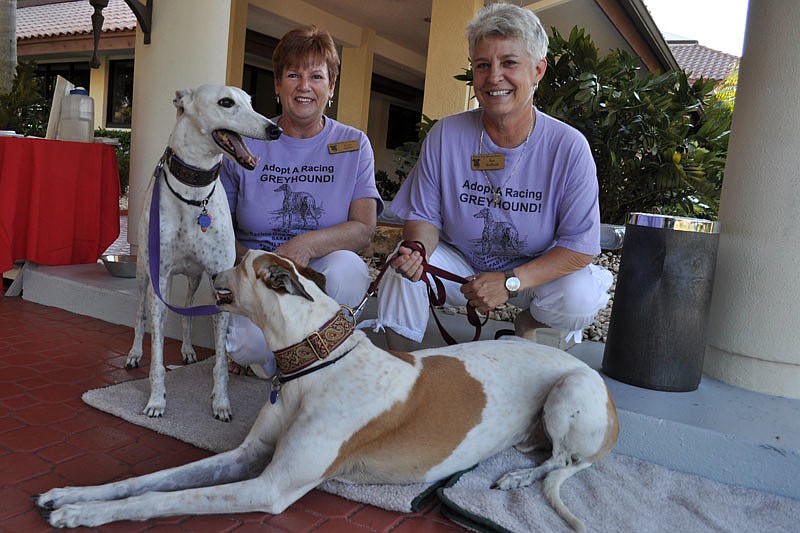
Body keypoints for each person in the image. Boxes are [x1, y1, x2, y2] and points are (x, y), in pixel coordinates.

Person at [365, 3, 612, 350]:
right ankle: (405, 370)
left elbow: (578, 249)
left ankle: (530, 323)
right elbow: (423, 217)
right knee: (401, 269)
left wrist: (509, 282)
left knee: (579, 296)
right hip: (460, 263)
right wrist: (418, 251)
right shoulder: (446, 135)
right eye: (483, 65)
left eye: (509, 63)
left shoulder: (568, 147)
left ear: (538, 70)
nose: (493, 77)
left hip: (529, 275)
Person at [220, 25, 383, 377]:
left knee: (350, 271)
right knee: (247, 349)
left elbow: (363, 229)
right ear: (278, 85)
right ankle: (293, 355)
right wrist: (253, 263)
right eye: (293, 75)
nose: (304, 86)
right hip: (258, 268)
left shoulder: (354, 144)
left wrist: (305, 245)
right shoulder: (246, 140)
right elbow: (218, 225)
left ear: (331, 87)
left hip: (319, 272)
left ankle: (311, 354)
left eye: (316, 76)